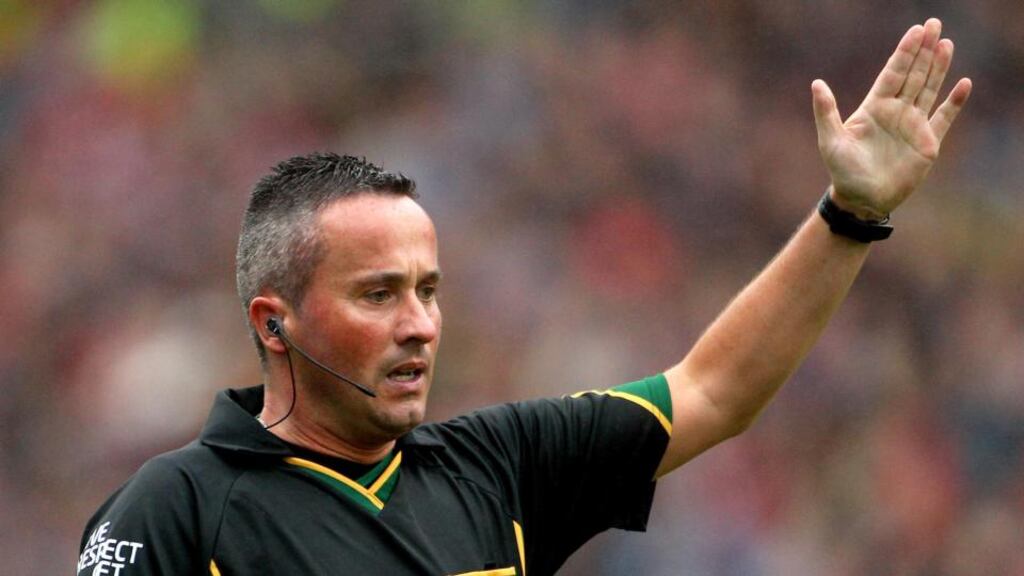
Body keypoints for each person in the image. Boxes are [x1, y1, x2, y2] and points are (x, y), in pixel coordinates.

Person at [78, 18, 971, 576]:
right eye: (379, 294)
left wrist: (849, 214)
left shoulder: (501, 466)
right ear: (276, 325)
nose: (420, 324)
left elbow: (712, 391)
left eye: (428, 290)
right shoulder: (177, 509)